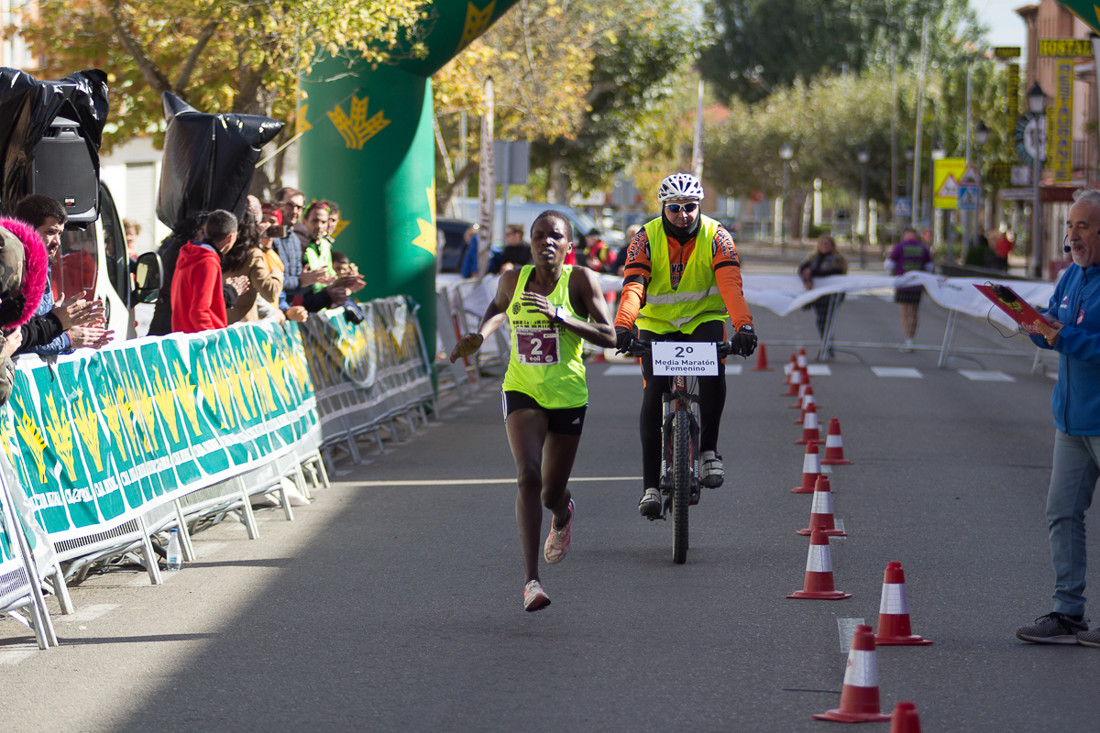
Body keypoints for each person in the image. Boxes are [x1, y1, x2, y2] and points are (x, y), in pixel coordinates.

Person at [449, 210, 615, 612]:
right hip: (522, 389)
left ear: (569, 246)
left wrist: (561, 316)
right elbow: (497, 309)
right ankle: (531, 582)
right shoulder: (513, 279)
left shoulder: (580, 281)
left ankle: (564, 514)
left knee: (551, 492)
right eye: (539, 236)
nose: (547, 242)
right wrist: (479, 335)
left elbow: (610, 336)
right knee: (527, 475)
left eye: (555, 236)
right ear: (531, 242)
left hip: (568, 395)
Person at [614, 172, 757, 519]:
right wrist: (622, 326)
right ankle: (649, 486)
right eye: (675, 208)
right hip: (656, 325)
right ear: (664, 207)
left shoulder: (717, 236)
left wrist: (744, 326)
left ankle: (708, 451)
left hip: (702, 320)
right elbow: (634, 286)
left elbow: (730, 286)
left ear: (699, 206)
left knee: (712, 376)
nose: (683, 215)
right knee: (653, 395)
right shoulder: (644, 238)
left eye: (690, 207)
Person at [1015, 188, 1100, 647]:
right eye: (1069, 227)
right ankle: (1069, 612)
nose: (1071, 237)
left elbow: (1082, 341)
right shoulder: (1072, 276)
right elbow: (1053, 323)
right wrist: (1032, 323)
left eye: (1082, 226)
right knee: (1061, 513)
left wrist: (1062, 337)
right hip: (1070, 421)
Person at [11, 194, 109, 354]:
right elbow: (16, 338)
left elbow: (39, 329)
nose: (58, 242)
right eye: (51, 232)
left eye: (60, 233)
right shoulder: (13, 270)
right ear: (26, 230)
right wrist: (67, 336)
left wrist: (67, 319)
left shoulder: (41, 265)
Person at [171, 209, 240, 333]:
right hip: (199, 342)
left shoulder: (188, 254)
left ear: (205, 231)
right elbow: (199, 312)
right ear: (231, 237)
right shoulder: (207, 262)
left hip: (184, 335)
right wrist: (212, 342)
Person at [222, 198, 283, 324]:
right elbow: (270, 292)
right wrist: (277, 271)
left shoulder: (220, 247)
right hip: (243, 329)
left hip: (219, 325)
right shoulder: (252, 254)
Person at [885, 227, 933, 352]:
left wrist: (893, 274)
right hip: (917, 285)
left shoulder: (900, 247)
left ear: (905, 235)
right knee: (914, 313)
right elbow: (930, 267)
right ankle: (911, 339)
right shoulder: (923, 248)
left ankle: (908, 340)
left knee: (904, 313)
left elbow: (888, 264)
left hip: (903, 284)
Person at [797, 234, 848, 344]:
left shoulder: (837, 259)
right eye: (822, 243)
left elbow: (835, 272)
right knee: (821, 320)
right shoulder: (813, 258)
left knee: (825, 320)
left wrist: (813, 273)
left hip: (831, 295)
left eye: (827, 243)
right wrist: (807, 279)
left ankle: (827, 346)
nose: (824, 246)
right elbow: (802, 269)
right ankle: (826, 344)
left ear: (832, 245)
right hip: (817, 294)